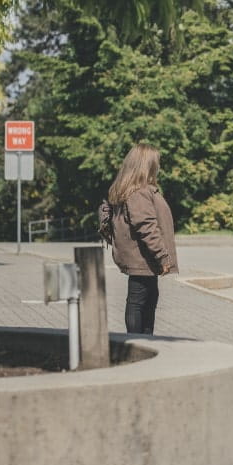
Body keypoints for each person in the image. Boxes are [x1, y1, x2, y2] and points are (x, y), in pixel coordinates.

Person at [98, 143, 177, 334]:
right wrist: (162, 256)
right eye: (155, 162)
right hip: (142, 258)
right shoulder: (140, 192)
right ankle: (137, 343)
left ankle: (145, 341)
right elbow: (147, 227)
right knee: (139, 302)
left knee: (146, 300)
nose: (158, 166)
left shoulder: (128, 189)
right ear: (146, 165)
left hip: (141, 258)